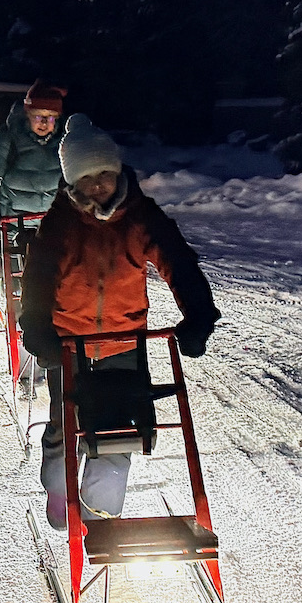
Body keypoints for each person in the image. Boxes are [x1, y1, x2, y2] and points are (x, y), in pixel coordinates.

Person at [20, 114, 220, 529]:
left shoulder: (141, 215)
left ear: (118, 172)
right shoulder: (60, 223)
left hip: (124, 344)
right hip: (68, 346)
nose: (98, 184)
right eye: (87, 176)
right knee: (65, 424)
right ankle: (59, 489)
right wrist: (37, 325)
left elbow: (177, 262)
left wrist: (198, 312)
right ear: (72, 181)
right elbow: (39, 276)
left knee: (116, 434)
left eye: (105, 173)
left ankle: (101, 516)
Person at [0, 80, 67, 235]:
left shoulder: (65, 141)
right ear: (28, 114)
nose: (44, 122)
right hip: (11, 229)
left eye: (50, 116)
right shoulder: (8, 137)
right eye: (38, 115)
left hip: (51, 231)